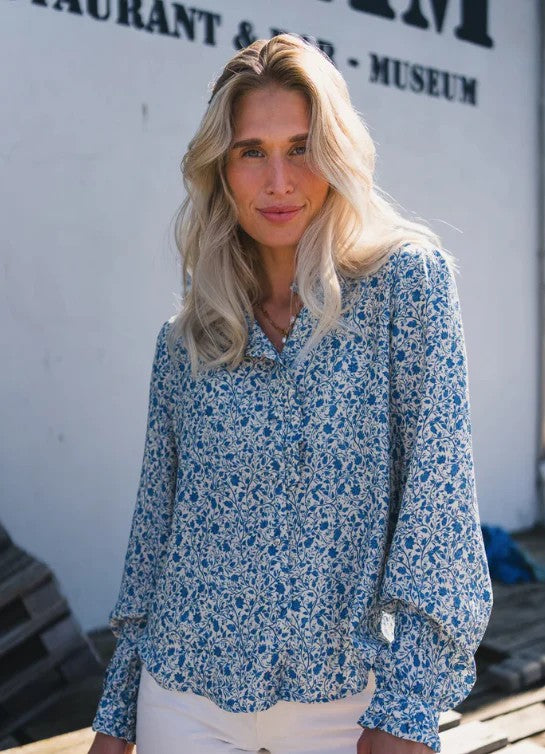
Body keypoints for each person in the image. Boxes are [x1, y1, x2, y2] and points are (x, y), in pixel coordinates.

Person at [88, 33, 492, 754]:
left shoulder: (406, 286)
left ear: (336, 154)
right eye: (252, 151)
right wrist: (118, 712)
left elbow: (439, 506)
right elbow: (155, 534)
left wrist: (407, 705)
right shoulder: (185, 341)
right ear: (221, 168)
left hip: (345, 702)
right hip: (182, 698)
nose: (279, 180)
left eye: (301, 147)